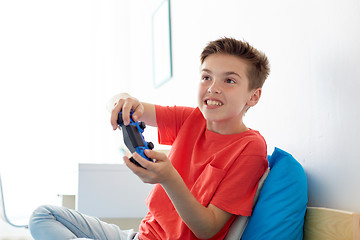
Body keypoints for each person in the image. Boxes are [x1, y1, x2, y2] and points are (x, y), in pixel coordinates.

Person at [29, 37, 270, 240]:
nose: (212, 87)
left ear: (253, 97)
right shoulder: (191, 119)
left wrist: (169, 179)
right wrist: (122, 101)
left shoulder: (250, 147)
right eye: (206, 77)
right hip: (139, 235)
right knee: (42, 216)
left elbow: (207, 229)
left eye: (229, 80)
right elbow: (126, 102)